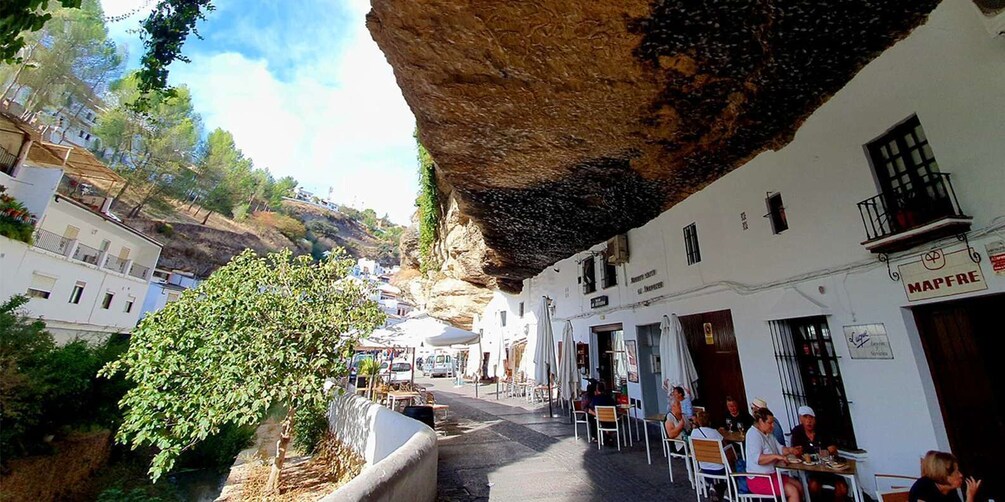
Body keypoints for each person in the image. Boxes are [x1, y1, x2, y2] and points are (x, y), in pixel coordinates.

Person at [789, 406, 848, 501]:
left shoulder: (822, 430)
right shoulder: (797, 432)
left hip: (829, 468)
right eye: (805, 417)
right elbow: (796, 451)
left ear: (815, 419)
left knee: (842, 488)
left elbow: (833, 448)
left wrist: (828, 451)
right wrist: (797, 451)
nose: (809, 421)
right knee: (813, 486)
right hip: (812, 470)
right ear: (800, 419)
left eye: (811, 417)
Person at [746, 407, 804, 502]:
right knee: (793, 491)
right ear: (761, 421)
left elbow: (780, 448)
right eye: (770, 423)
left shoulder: (769, 434)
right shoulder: (753, 434)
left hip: (771, 475)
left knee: (798, 485)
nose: (773, 426)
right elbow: (759, 459)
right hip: (758, 478)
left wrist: (791, 450)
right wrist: (776, 456)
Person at [691, 410, 733, 501]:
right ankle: (728, 490)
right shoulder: (715, 433)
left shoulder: (694, 433)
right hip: (718, 469)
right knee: (732, 462)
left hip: (704, 466)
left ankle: (712, 485)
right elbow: (725, 446)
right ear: (709, 421)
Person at [909, 451, 982, 502]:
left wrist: (970, 496)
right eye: (956, 472)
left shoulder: (950, 489)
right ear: (945, 475)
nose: (961, 475)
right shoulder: (922, 488)